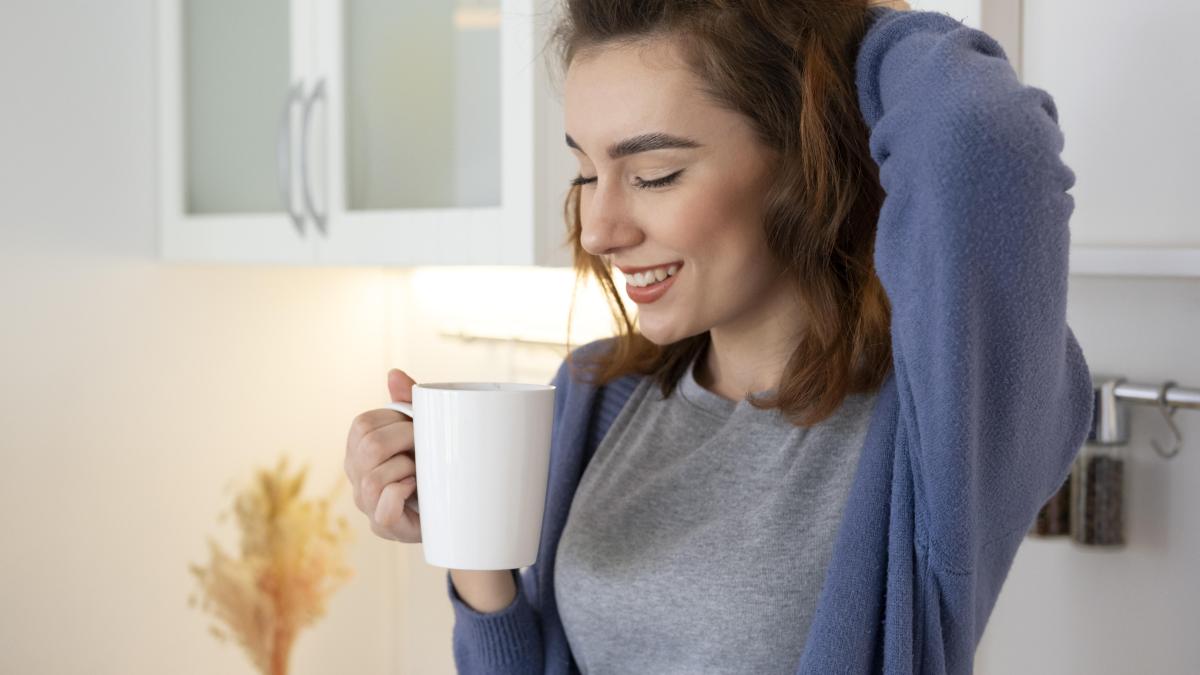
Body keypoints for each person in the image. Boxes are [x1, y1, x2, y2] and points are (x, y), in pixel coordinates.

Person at [343, 0, 1095, 672]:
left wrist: (833, 29)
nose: (598, 230)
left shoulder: (940, 422)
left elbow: (979, 140)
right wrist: (468, 535)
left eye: (654, 174)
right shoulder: (597, 395)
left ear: (804, 158)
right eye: (585, 173)